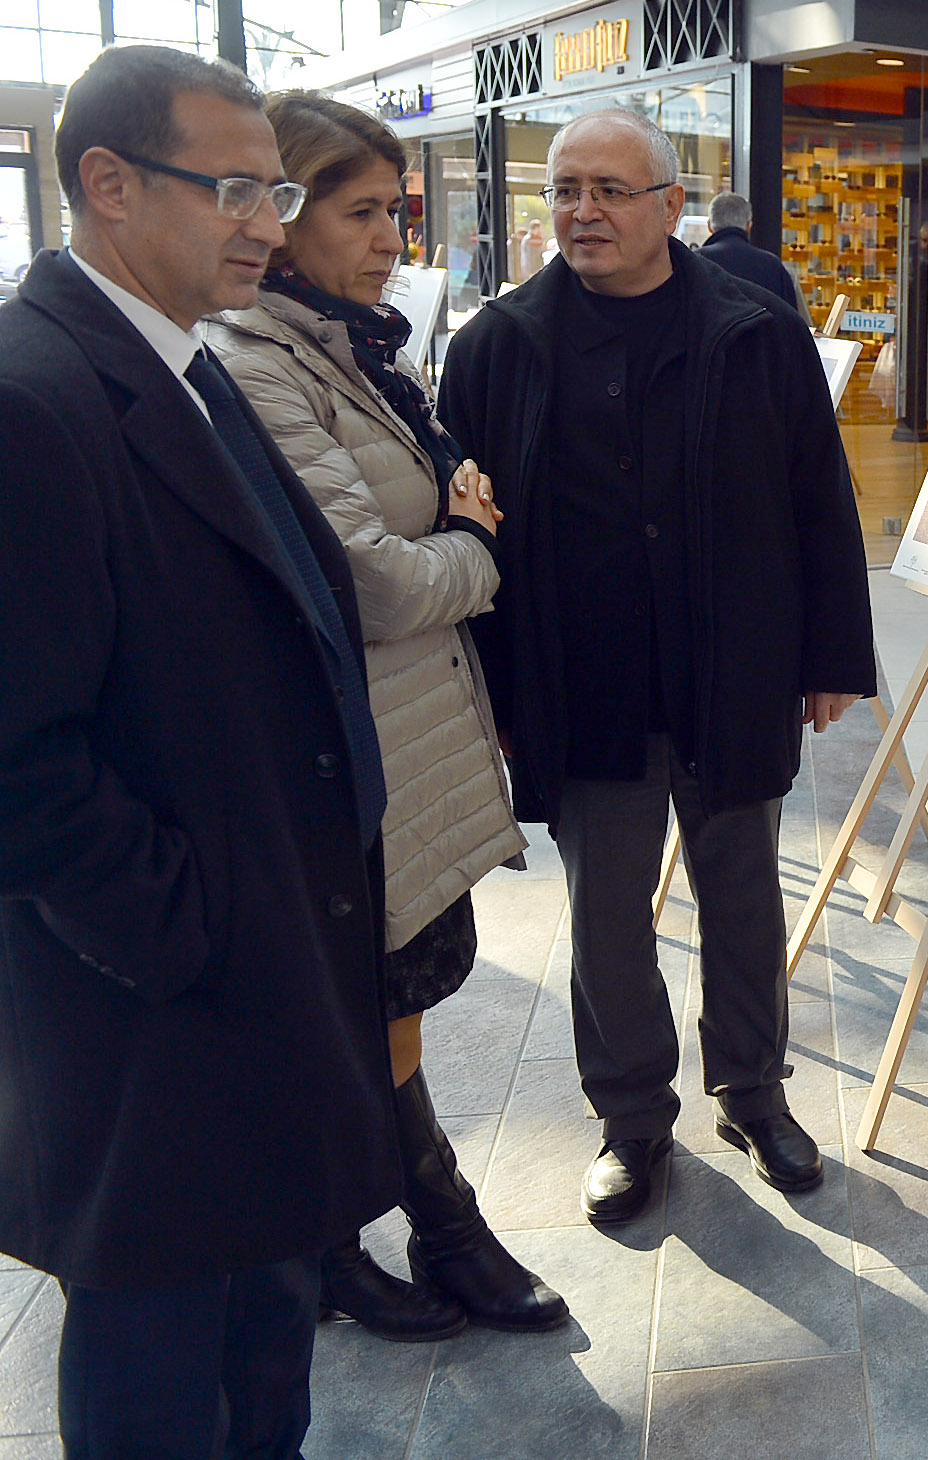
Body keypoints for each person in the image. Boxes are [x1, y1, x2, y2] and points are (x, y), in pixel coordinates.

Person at [0, 46, 397, 1455]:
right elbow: (20, 762)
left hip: (260, 982)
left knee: (259, 1359)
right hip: (161, 1017)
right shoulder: (35, 395)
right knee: (162, 1377)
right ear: (107, 185)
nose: (269, 223)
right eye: (231, 187)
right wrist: (184, 934)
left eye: (275, 187)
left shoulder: (178, 358)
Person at [439, 109, 876, 1226]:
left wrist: (831, 654)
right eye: (566, 189)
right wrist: (488, 687)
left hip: (730, 667)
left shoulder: (753, 330)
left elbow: (818, 496)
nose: (581, 210)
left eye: (608, 190)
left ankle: (752, 1090)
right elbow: (468, 540)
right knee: (608, 916)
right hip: (583, 682)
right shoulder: (496, 347)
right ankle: (632, 1117)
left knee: (742, 896)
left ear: (668, 206)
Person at [205, 92, 569, 1340]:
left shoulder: (347, 345)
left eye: (396, 212)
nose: (390, 240)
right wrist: (473, 539)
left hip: (402, 733)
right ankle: (432, 1229)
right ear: (290, 215)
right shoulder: (261, 363)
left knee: (384, 1003)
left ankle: (342, 1240)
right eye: (364, 212)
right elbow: (373, 579)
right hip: (349, 748)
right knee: (372, 1003)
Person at [696, 190, 799, 310]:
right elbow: (790, 321)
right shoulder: (772, 265)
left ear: (709, 226)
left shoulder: (695, 262)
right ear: (749, 226)